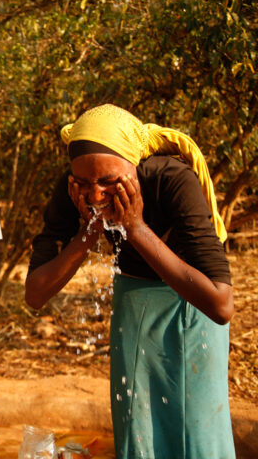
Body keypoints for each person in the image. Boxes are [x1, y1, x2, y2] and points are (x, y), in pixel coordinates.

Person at [25, 104, 235, 459]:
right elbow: (35, 293)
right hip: (133, 303)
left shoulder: (171, 180)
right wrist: (87, 235)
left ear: (134, 166)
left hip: (192, 302)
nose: (94, 195)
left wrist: (136, 228)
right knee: (137, 426)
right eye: (85, 182)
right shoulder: (73, 188)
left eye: (109, 181)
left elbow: (220, 305)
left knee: (197, 429)